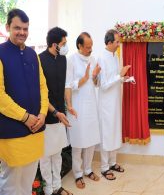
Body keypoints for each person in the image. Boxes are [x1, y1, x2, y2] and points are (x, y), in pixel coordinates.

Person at [0, 9, 48, 195]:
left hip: (36, 129)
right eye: (17, 28)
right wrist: (25, 117)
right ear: (8, 28)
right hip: (13, 130)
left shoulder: (32, 54)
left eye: (25, 28)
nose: (22, 32)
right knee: (11, 183)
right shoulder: (1, 53)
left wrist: (43, 113)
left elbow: (43, 87)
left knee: (28, 182)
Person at [39, 27, 72, 195]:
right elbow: (40, 92)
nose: (66, 46)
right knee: (45, 156)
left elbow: (64, 85)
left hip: (60, 115)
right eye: (63, 43)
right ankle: (48, 188)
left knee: (57, 153)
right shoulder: (40, 59)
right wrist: (53, 111)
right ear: (54, 44)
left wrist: (68, 106)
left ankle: (57, 187)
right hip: (46, 115)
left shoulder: (63, 59)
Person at [65, 32, 101, 189]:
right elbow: (68, 85)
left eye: (91, 46)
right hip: (77, 106)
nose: (90, 49)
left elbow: (96, 84)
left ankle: (88, 169)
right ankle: (78, 173)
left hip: (91, 105)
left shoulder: (92, 59)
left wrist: (94, 77)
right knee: (78, 142)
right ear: (79, 45)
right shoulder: (71, 60)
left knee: (91, 141)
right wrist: (84, 79)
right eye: (87, 47)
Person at [97, 29, 130, 180]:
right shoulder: (101, 58)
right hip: (106, 104)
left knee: (115, 132)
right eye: (117, 41)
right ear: (109, 42)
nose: (119, 44)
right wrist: (120, 76)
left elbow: (115, 78)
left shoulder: (115, 55)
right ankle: (104, 167)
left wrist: (125, 79)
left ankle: (112, 163)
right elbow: (103, 85)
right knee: (107, 134)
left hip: (116, 100)